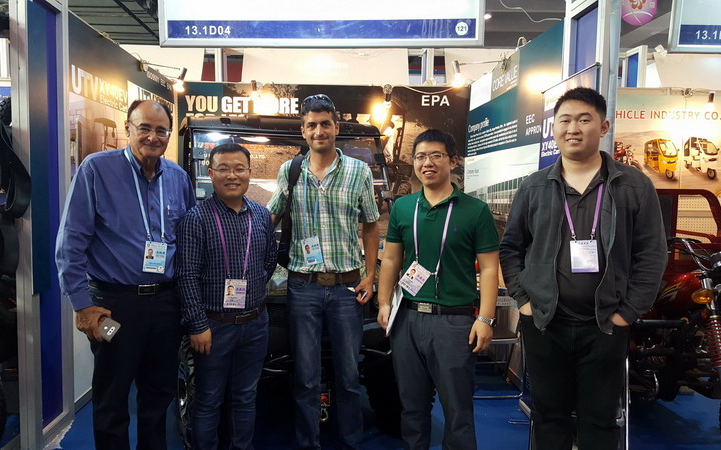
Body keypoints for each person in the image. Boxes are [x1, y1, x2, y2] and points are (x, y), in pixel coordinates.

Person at [499, 87, 666, 450]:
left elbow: (652, 254)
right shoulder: (534, 186)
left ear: (603, 127)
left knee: (600, 420)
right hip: (545, 323)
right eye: (565, 120)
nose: (573, 128)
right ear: (554, 128)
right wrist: (523, 300)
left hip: (605, 325)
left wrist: (627, 313)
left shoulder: (632, 185)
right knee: (548, 416)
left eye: (584, 119)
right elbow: (511, 248)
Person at [56, 99, 196, 450]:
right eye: (144, 128)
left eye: (161, 130)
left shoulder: (178, 178)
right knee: (112, 396)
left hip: (166, 306)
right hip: (114, 306)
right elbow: (71, 242)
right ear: (128, 129)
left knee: (159, 394)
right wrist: (82, 305)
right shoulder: (96, 169)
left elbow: (189, 240)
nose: (152, 136)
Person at [267, 93, 380, 449]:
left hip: (347, 288)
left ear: (336, 127)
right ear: (303, 131)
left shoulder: (359, 171)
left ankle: (350, 442)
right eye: (312, 125)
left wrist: (370, 275)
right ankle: (308, 443)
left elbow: (371, 226)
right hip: (303, 287)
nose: (319, 131)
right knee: (305, 377)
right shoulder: (290, 171)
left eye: (325, 124)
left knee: (348, 375)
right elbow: (270, 218)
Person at [376, 129, 499, 449]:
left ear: (452, 161)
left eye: (435, 155)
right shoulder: (403, 208)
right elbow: (391, 259)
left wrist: (485, 318)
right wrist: (384, 302)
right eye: (420, 156)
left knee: (457, 410)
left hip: (455, 322)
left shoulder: (475, 210)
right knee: (412, 407)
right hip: (407, 318)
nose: (427, 163)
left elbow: (489, 268)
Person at [177, 143, 276, 450]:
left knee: (246, 397)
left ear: (249, 173)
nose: (232, 175)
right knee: (208, 400)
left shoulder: (261, 215)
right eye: (223, 169)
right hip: (213, 326)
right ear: (210, 173)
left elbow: (269, 261)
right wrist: (197, 325)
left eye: (239, 169)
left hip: (255, 323)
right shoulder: (196, 218)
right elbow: (186, 275)